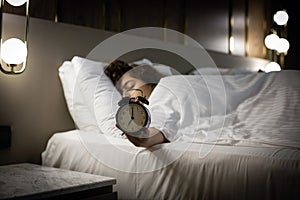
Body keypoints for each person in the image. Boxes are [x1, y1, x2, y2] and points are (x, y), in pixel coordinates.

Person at [104, 60, 169, 147]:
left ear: (149, 80)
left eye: (130, 86)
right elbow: (161, 130)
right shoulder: (152, 111)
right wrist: (142, 137)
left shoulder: (167, 88)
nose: (125, 95)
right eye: (122, 93)